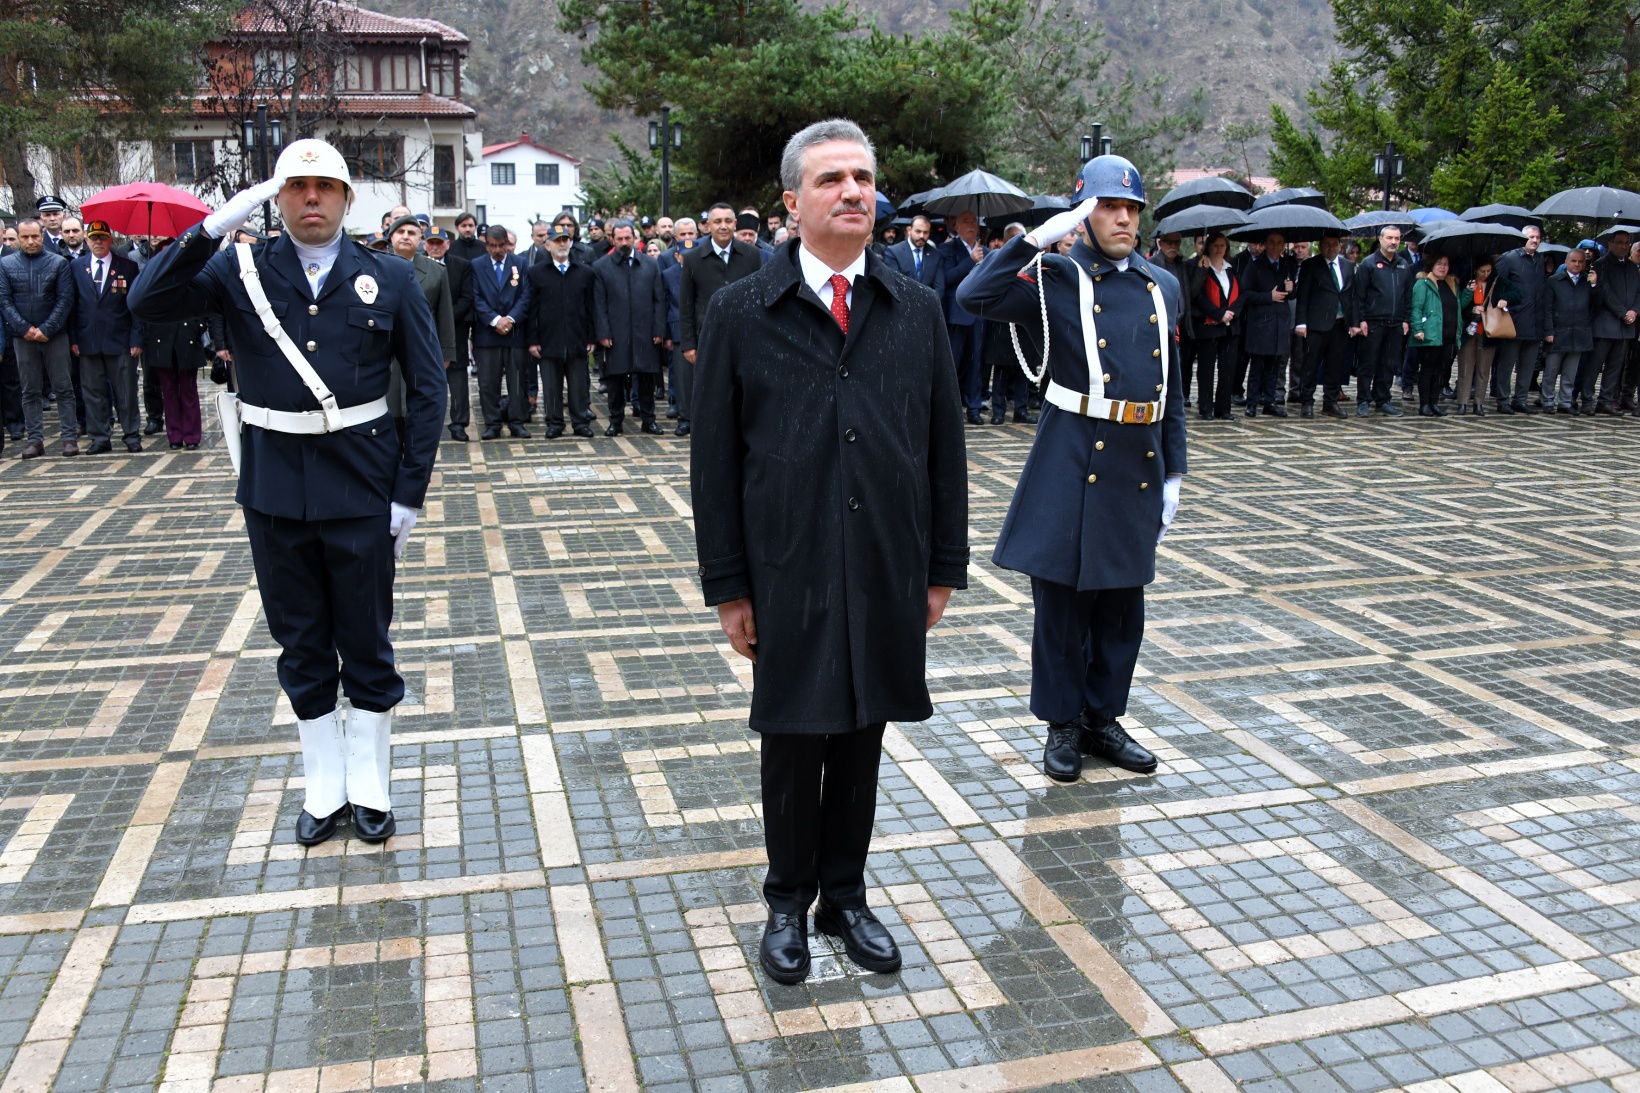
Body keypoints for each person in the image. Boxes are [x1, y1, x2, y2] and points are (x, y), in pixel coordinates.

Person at [691, 119, 967, 985]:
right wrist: (729, 584)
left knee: (863, 729)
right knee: (793, 731)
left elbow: (943, 445)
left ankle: (844, 895)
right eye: (831, 179)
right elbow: (714, 459)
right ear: (791, 201)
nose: (853, 191)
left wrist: (943, 566)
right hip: (787, 562)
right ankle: (787, 899)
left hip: (887, 557)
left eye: (863, 177)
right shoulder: (741, 309)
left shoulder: (913, 307)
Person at [128, 138, 446, 846]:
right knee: (299, 642)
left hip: (364, 489)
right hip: (273, 490)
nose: (310, 198)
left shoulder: (388, 279)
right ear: (277, 197)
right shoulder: (240, 269)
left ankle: (370, 786)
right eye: (296, 187)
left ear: (345, 199)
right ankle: (323, 786)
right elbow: (148, 300)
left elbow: (429, 390)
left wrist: (409, 493)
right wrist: (213, 224)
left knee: (365, 638)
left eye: (324, 187)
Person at [957, 154, 1184, 784]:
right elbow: (973, 296)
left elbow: (1171, 385)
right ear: (1084, 213)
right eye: (1108, 207)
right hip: (1072, 454)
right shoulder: (1054, 273)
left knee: (1121, 608)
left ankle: (1102, 719)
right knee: (1060, 606)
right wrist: (1036, 237)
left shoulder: (1159, 284)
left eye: (1131, 208)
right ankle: (1062, 723)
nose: (1122, 219)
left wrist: (1175, 472)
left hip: (1137, 459)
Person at [679, 203, 762, 439]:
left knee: (743, 389)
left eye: (728, 221)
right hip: (707, 336)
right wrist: (688, 344)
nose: (723, 226)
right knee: (710, 390)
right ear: (707, 226)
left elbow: (759, 298)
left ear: (735, 224)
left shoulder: (751, 255)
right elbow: (686, 304)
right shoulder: (693, 258)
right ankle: (710, 432)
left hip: (745, 336)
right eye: (717, 222)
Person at [0, 217, 77, 458]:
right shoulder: (6, 264)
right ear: (17, 239)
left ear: (42, 236)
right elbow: (4, 300)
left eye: (35, 236)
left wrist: (47, 328)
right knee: (29, 390)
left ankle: (69, 438)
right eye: (25, 237)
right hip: (23, 338)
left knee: (64, 388)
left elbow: (65, 299)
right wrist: (24, 329)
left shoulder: (58, 263)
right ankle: (35, 440)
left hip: (54, 337)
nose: (30, 241)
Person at [69, 220, 145, 453]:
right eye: (93, 238)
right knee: (93, 392)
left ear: (110, 239)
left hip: (120, 340)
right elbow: (72, 306)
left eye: (102, 238)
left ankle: (131, 435)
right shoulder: (76, 267)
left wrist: (136, 338)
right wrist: (73, 338)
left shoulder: (127, 266)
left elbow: (136, 306)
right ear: (86, 240)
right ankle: (100, 437)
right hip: (87, 340)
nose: (98, 242)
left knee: (126, 391)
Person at [593, 219, 667, 436]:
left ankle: (648, 420)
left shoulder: (650, 264)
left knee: (646, 379)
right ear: (612, 240)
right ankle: (615, 421)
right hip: (616, 333)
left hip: (645, 332)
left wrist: (659, 329)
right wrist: (603, 332)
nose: (624, 242)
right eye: (620, 239)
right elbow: (599, 303)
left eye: (628, 238)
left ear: (635, 238)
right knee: (615, 381)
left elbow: (659, 300)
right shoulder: (601, 266)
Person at [388, 216, 456, 442]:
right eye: (400, 232)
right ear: (391, 237)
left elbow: (444, 315)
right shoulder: (375, 266)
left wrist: (445, 354)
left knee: (419, 413)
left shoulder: (436, 271)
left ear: (421, 239)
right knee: (389, 415)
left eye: (412, 232)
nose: (406, 236)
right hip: (384, 353)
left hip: (421, 352)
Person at [527, 224, 597, 438]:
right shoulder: (536, 273)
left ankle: (580, 422)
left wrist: (592, 337)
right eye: (557, 240)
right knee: (551, 386)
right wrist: (532, 340)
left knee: (578, 386)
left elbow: (591, 307)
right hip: (548, 339)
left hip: (577, 338)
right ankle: (555, 423)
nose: (562, 244)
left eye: (565, 239)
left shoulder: (584, 272)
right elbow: (531, 309)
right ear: (547, 245)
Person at [472, 224, 533, 439]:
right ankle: (492, 424)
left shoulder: (520, 263)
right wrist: (495, 320)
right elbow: (475, 298)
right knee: (488, 383)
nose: (497, 250)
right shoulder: (476, 265)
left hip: (515, 334)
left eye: (501, 246)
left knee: (517, 382)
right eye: (492, 246)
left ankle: (517, 422)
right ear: (486, 245)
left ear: (508, 244)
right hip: (487, 335)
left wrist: (510, 319)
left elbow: (526, 296)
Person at [1293, 232, 1357, 418]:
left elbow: (1351, 296)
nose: (1331, 248)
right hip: (1316, 324)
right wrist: (1301, 322)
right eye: (1327, 244)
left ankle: (1330, 401)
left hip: (1339, 324)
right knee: (1310, 364)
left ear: (1339, 246)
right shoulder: (1310, 265)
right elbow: (1303, 296)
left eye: (1334, 244)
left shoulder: (1347, 265)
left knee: (1335, 365)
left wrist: (1353, 322)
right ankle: (1307, 401)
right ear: (1320, 246)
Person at [1352, 225, 1413, 416]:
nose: (1393, 242)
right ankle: (1363, 401)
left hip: (1395, 324)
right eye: (1389, 238)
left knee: (1389, 364)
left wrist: (1406, 319)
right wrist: (1360, 320)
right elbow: (1358, 295)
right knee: (1368, 364)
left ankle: (1383, 400)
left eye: (1397, 238)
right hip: (1373, 322)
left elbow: (1408, 296)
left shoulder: (1404, 265)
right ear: (1380, 240)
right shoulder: (1368, 264)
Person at [1240, 230, 1298, 418]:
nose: (1275, 246)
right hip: (1261, 321)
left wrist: (1292, 289)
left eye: (1279, 242)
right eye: (1272, 242)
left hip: (1280, 321)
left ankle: (1270, 401)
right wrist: (1268, 296)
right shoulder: (1255, 266)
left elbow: (1293, 293)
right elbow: (1245, 293)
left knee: (1275, 364)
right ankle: (1252, 402)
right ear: (1265, 244)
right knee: (1257, 365)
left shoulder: (1288, 265)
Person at [426, 226, 475, 440]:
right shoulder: (416, 266)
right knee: (426, 381)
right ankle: (428, 424)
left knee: (457, 381)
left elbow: (467, 299)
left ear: (447, 244)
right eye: (431, 242)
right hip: (424, 333)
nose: (436, 247)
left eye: (440, 243)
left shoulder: (461, 266)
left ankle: (458, 423)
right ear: (425, 244)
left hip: (455, 332)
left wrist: (444, 320)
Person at [1493, 225, 1548, 414]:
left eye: (1538, 237)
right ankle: (1503, 399)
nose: (1535, 240)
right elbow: (1497, 283)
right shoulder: (1509, 258)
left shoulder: (1540, 260)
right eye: (1531, 237)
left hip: (1535, 322)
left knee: (1528, 365)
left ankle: (1521, 399)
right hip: (1513, 320)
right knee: (1507, 363)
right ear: (1522, 238)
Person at [939, 210, 988, 424]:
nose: (970, 225)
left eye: (973, 221)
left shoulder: (985, 252)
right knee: (954, 363)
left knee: (976, 363)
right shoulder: (947, 249)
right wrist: (970, 261)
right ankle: (950, 408)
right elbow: (947, 278)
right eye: (965, 221)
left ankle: (974, 407)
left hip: (979, 313)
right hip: (956, 314)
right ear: (956, 226)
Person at [1588, 229, 1638, 414]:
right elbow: (1605, 293)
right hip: (1605, 324)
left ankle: (1606, 400)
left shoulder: (1632, 267)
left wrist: (1634, 311)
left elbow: (1638, 292)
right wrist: (1623, 312)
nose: (1624, 246)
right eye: (1620, 242)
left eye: (1627, 243)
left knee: (1615, 366)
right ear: (1610, 244)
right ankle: (1587, 399)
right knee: (1595, 365)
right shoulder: (1600, 265)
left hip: (1626, 326)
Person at [1542, 245, 1595, 414]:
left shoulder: (1587, 282)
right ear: (1566, 262)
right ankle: (1547, 401)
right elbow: (1547, 308)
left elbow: (1597, 305)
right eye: (1574, 261)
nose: (1577, 264)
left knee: (1570, 373)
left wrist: (1595, 286)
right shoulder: (1554, 281)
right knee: (1551, 371)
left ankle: (1565, 402)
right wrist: (1549, 330)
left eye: (1581, 262)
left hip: (1579, 332)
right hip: (1559, 331)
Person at [1193, 233, 1239, 420]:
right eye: (1215, 245)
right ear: (1208, 248)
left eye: (1222, 245)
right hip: (1209, 326)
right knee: (1206, 369)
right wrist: (1219, 313)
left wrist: (1231, 312)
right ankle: (1206, 408)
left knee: (1228, 368)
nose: (1219, 249)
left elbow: (1240, 294)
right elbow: (1198, 296)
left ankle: (1224, 408)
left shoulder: (1231, 269)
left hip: (1230, 326)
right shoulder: (1201, 267)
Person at [1409, 253, 1460, 416]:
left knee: (1442, 371)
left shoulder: (1452, 284)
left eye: (1445, 264)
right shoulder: (1423, 284)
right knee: (1427, 370)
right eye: (1439, 263)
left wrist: (1468, 293)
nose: (1442, 267)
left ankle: (1434, 402)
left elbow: (1457, 305)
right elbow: (1416, 307)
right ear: (1431, 265)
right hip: (1431, 334)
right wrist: (1417, 328)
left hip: (1450, 335)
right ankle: (1424, 404)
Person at [1454, 257, 1497, 415]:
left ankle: (1479, 403)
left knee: (1483, 369)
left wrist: (1501, 302)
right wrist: (1471, 307)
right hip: (1469, 330)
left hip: (1487, 331)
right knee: (1465, 367)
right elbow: (1458, 306)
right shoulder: (1467, 283)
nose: (1485, 274)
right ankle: (1462, 402)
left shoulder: (1496, 283)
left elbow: (1515, 294)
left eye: (1488, 271)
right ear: (1475, 270)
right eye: (1482, 271)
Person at [880, 214, 946, 298]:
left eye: (925, 232)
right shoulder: (894, 252)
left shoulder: (936, 255)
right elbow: (894, 284)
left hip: (928, 307)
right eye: (918, 231)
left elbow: (939, 289)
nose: (922, 236)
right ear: (909, 230)